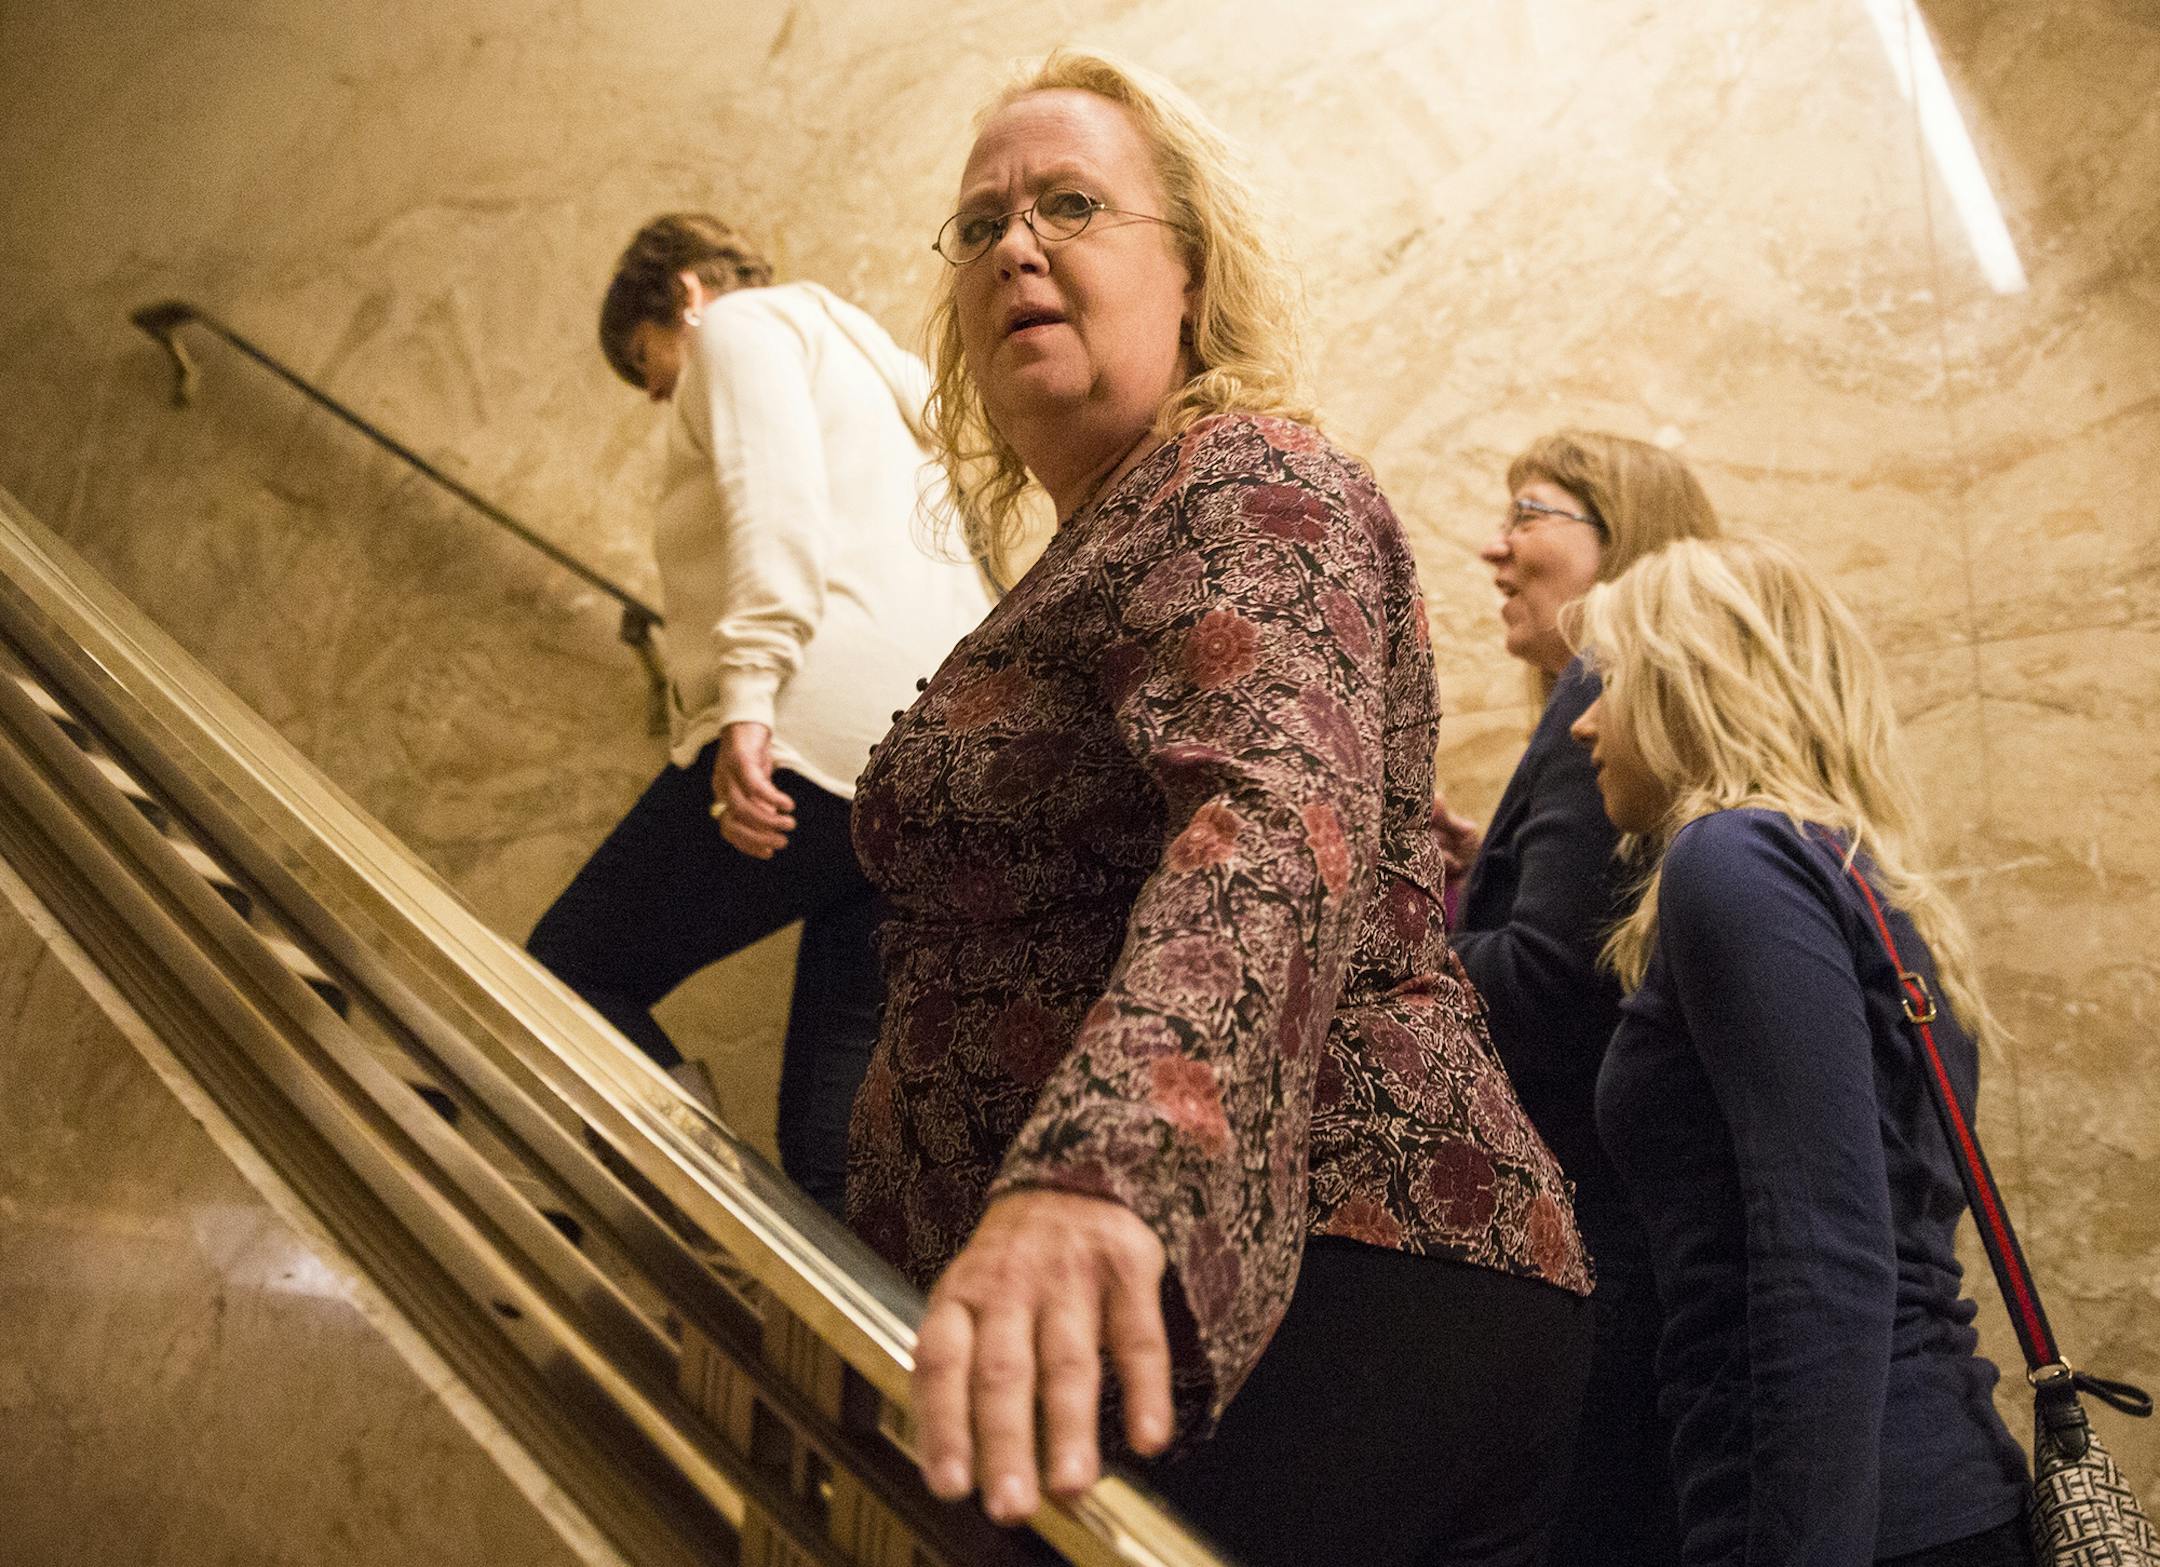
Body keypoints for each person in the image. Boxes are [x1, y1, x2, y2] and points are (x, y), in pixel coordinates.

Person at [845, 50, 1592, 1566]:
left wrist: (1099, 1169)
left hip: (1331, 1273)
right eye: (979, 222)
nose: (1015, 245)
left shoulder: (1251, 475)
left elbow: (1274, 821)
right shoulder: (1109, 540)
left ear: (1189, 275)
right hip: (1220, 1295)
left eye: (1070, 203)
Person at [1570, 537, 2032, 1565]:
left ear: (1690, 687)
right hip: (1918, 1494)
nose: (1585, 723)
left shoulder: (1731, 858)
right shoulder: (1851, 877)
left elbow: (1824, 1246)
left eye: (1611, 683)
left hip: (1850, 1518)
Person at [527, 214, 991, 1218]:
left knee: (568, 973)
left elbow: (774, 514)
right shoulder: (874, 371)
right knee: (831, 1142)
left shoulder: (737, 330)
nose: (659, 392)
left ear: (686, 294)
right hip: (930, 766)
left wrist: (746, 705)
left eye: (649, 363)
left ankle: (701, 1221)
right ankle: (847, 1350)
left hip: (816, 737)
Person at [1434, 430, 1721, 1565]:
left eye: (1532, 513)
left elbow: (1547, 990)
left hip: (1596, 1267)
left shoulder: (1600, 690)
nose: (1495, 547)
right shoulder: (1605, 710)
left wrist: (1372, 942)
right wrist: (1473, 879)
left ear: (1625, 546)